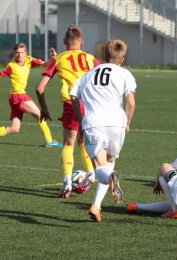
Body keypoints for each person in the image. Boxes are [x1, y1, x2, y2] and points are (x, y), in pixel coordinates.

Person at [70, 38, 137, 222]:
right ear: (122, 59)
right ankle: (96, 206)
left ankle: (110, 177)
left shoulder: (86, 75)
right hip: (117, 123)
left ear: (104, 56)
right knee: (109, 163)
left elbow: (73, 96)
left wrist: (80, 120)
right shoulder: (125, 74)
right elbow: (131, 102)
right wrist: (127, 122)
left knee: (101, 168)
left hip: (94, 123)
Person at [36, 25, 100, 199]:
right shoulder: (90, 58)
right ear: (82, 42)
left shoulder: (59, 59)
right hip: (90, 104)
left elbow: (39, 88)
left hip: (70, 103)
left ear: (64, 41)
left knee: (68, 144)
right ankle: (91, 174)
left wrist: (44, 108)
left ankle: (66, 183)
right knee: (84, 141)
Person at [0, 43, 63, 148]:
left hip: (14, 97)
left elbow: (45, 64)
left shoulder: (28, 60)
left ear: (25, 53)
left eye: (21, 53)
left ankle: (49, 141)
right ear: (14, 53)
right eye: (17, 53)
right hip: (18, 96)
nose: (19, 55)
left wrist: (53, 58)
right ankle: (49, 141)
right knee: (39, 115)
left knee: (14, 129)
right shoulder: (11, 66)